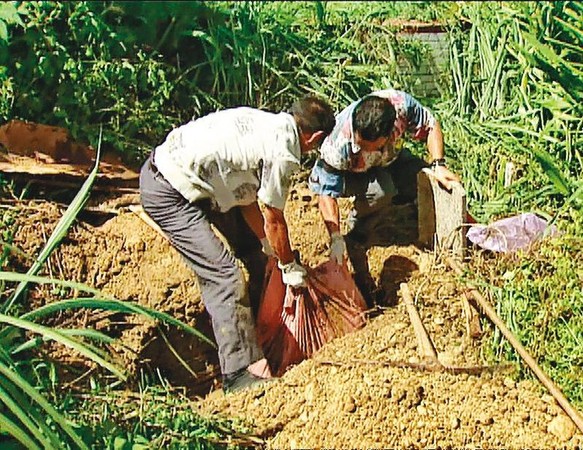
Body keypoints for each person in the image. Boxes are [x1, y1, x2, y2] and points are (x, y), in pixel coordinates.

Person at [139, 96, 335, 393]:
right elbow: (273, 217)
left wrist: (269, 250)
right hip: (169, 191)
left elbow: (246, 200)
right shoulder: (284, 151)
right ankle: (239, 373)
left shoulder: (267, 122)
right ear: (315, 137)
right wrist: (289, 266)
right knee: (225, 276)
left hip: (199, 181)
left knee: (256, 258)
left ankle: (259, 326)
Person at [308, 89, 460, 307]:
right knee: (382, 191)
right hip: (352, 174)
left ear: (389, 134)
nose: (362, 148)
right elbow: (326, 193)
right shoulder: (337, 146)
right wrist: (336, 237)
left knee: (424, 180)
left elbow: (431, 124)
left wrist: (439, 164)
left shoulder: (401, 106)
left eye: (371, 146)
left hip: (389, 159)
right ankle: (357, 233)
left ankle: (406, 211)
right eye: (360, 144)